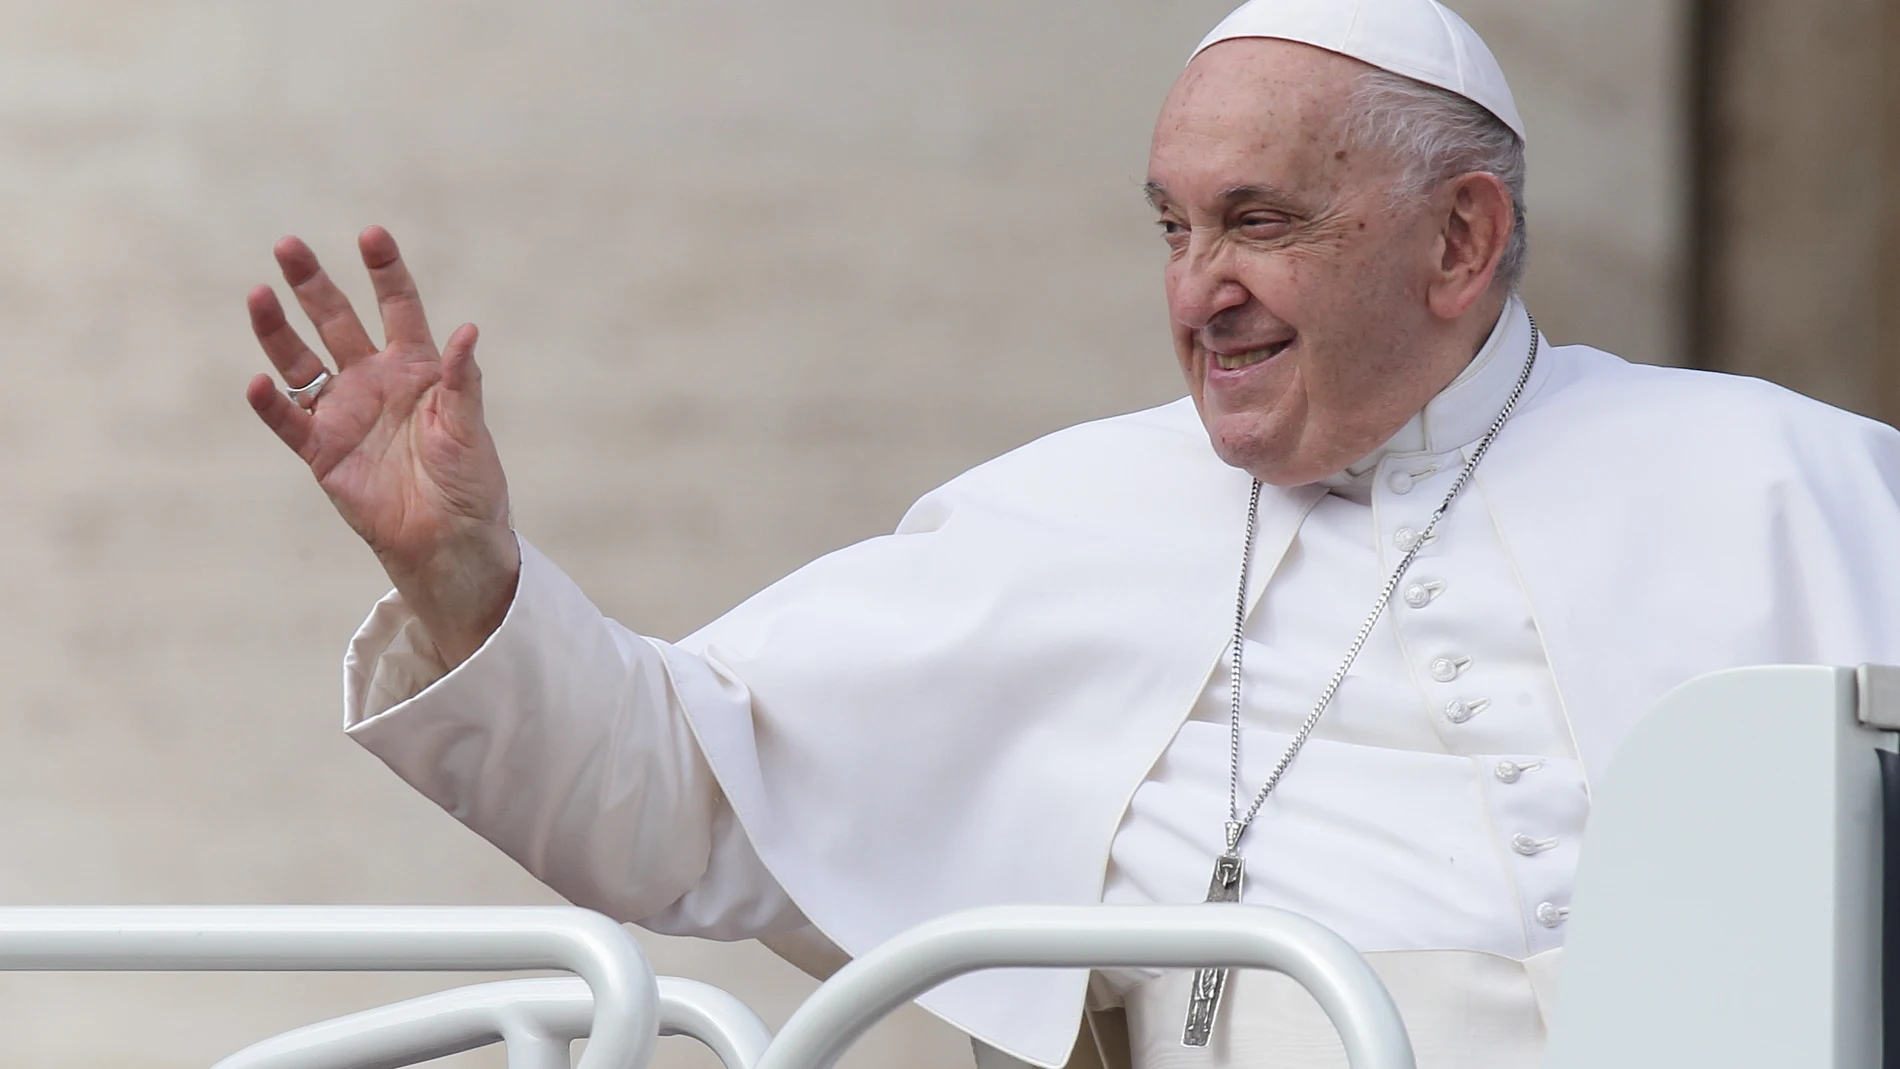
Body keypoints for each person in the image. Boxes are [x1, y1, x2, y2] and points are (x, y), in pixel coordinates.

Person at [242, 1, 1900, 1066]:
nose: (1199, 291)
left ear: (1462, 239)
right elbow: (685, 784)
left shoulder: (1789, 482)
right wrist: (462, 576)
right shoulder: (1058, 520)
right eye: (1174, 229)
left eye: (1261, 223)